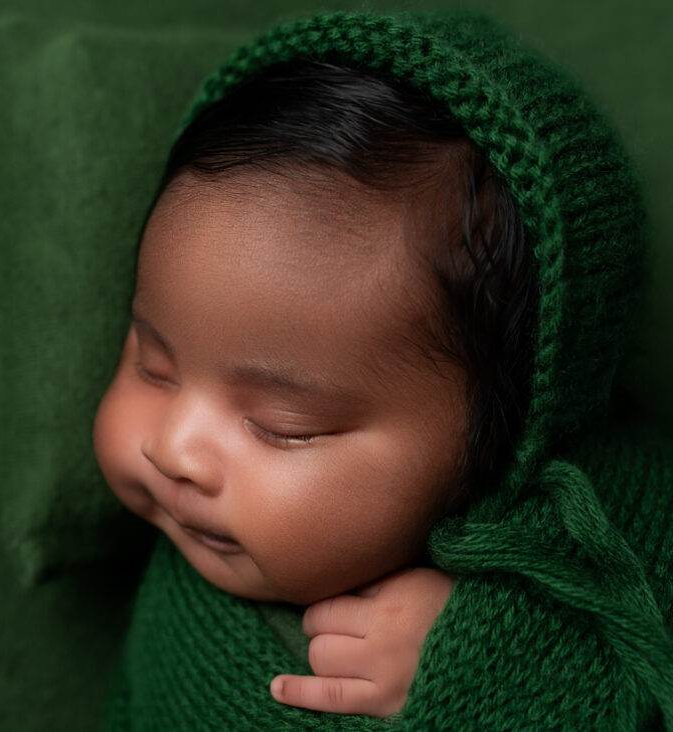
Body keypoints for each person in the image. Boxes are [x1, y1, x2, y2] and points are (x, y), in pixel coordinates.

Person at [93, 10, 673, 730]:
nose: (171, 447)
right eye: (153, 364)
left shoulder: (613, 546)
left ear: (504, 440)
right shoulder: (190, 587)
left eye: (284, 427)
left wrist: (497, 660)